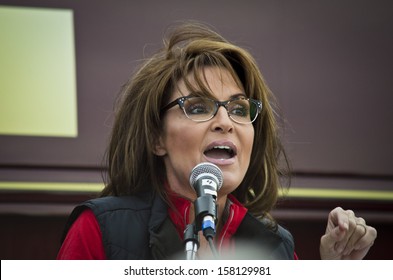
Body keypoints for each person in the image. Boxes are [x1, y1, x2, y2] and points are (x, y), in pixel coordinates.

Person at [57, 22, 377, 260]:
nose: (225, 122)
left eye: (239, 109)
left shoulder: (276, 247)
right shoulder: (101, 229)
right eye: (198, 107)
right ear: (157, 137)